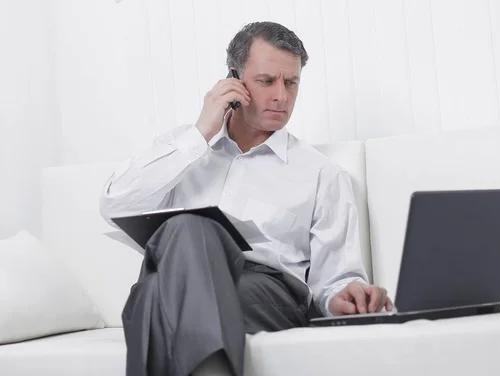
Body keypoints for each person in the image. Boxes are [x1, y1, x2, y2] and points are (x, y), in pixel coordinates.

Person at [99, 21, 393, 376]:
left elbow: (334, 280)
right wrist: (200, 133)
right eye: (267, 81)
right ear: (232, 81)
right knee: (180, 247)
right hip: (175, 281)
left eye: (292, 83)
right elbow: (115, 204)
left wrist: (345, 297)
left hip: (265, 293)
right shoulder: (181, 149)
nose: (281, 96)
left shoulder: (321, 174)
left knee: (162, 284)